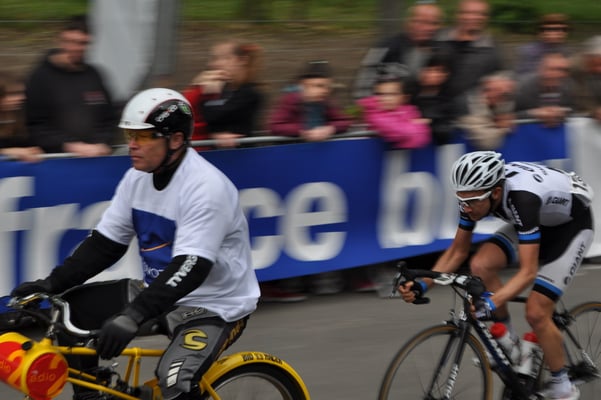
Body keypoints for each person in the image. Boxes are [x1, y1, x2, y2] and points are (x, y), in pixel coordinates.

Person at [11, 88, 260, 400]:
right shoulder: (136, 177)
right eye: (130, 135)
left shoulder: (206, 188)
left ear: (176, 140)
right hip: (160, 293)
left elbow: (192, 266)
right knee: (71, 312)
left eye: (142, 136)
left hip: (215, 305)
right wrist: (51, 284)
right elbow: (105, 245)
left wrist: (133, 315)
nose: (132, 145)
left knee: (174, 380)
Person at [399, 151, 593, 400]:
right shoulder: (473, 196)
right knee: (480, 265)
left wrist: (490, 303)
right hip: (536, 221)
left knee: (536, 312)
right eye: (461, 200)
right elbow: (458, 252)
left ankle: (562, 387)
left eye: (472, 201)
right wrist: (423, 285)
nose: (466, 207)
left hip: (571, 228)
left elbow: (527, 273)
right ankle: (511, 346)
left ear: (496, 192)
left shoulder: (523, 198)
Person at [24, 15, 117, 156]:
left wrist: (102, 143)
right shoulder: (40, 77)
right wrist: (69, 146)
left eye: (83, 43)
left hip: (96, 156)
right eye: (71, 42)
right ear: (59, 41)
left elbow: (109, 118)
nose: (76, 48)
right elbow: (36, 126)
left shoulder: (94, 75)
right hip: (58, 159)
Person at [182, 39, 264, 148]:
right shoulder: (220, 89)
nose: (215, 64)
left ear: (242, 60)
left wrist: (201, 91)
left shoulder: (251, 93)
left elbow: (211, 116)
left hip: (238, 154)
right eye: (214, 59)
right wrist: (197, 87)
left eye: (225, 58)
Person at [353, 2, 444, 99]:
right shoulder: (384, 46)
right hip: (384, 105)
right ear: (408, 22)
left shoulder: (441, 51)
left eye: (434, 23)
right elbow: (363, 83)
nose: (427, 28)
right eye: (421, 22)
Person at [435, 0, 504, 111]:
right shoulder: (438, 38)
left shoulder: (491, 47)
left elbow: (500, 76)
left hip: (471, 112)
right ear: (458, 15)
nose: (474, 17)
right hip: (433, 108)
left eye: (480, 14)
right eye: (469, 12)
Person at [268, 60, 352, 141]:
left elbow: (344, 121)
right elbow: (275, 126)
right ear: (304, 85)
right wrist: (303, 131)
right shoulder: (290, 100)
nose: (325, 91)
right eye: (319, 86)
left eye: (327, 87)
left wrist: (330, 129)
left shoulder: (326, 102)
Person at [357, 67, 431, 149]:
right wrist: (415, 124)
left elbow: (421, 138)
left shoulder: (408, 110)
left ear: (402, 97)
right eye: (381, 94)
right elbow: (404, 134)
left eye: (392, 94)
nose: (386, 98)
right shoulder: (374, 114)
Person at [457, 71, 517, 150]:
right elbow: (487, 143)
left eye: (505, 94)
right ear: (486, 89)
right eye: (497, 91)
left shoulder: (503, 101)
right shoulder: (468, 106)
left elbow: (510, 120)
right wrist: (503, 128)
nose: (503, 99)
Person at [515, 52, 576, 128]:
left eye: (563, 70)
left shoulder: (568, 86)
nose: (558, 74)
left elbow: (574, 110)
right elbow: (508, 116)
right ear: (541, 70)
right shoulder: (523, 88)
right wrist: (533, 113)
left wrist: (563, 112)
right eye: (553, 69)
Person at [0, 71, 43, 161]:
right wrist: (5, 152)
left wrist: (32, 150)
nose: (22, 98)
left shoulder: (22, 114)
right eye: (12, 94)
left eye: (21, 93)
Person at [571, 35, 601, 122]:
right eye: (595, 64)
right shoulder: (574, 68)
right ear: (586, 57)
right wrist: (594, 111)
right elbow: (580, 96)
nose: (599, 69)